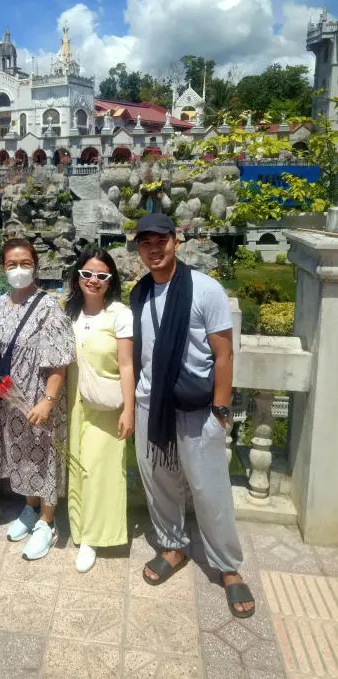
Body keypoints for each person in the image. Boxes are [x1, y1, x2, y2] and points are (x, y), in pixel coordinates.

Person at [130, 213, 255, 618]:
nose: (153, 248)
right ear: (139, 248)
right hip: (152, 404)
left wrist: (221, 410)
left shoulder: (205, 289)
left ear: (176, 241)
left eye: (160, 239)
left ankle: (228, 566)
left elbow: (224, 355)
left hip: (198, 407)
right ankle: (173, 545)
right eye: (145, 241)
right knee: (160, 483)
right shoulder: (140, 292)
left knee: (209, 490)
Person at [0, 238, 76, 560]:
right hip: (10, 398)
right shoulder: (1, 304)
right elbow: (1, 348)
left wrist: (48, 401)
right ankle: (29, 508)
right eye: (12, 264)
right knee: (21, 455)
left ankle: (48, 522)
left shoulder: (48, 306)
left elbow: (60, 360)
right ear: (3, 267)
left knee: (45, 457)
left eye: (25, 263)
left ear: (35, 265)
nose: (18, 270)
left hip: (39, 398)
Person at [65, 249, 135, 573]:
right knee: (77, 466)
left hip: (106, 406)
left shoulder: (120, 314)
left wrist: (129, 410)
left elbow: (126, 365)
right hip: (71, 402)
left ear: (111, 281)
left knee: (99, 470)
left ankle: (94, 537)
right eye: (87, 273)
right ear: (77, 276)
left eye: (102, 276)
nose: (93, 280)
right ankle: (78, 529)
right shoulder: (68, 312)